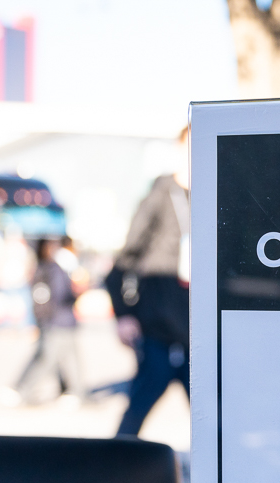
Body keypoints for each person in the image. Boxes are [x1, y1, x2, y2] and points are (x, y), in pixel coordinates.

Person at [109, 126, 190, 437]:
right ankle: (115, 463)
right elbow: (123, 262)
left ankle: (221, 470)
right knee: (138, 408)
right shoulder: (160, 194)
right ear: (179, 150)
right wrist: (124, 314)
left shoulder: (214, 195)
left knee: (214, 417)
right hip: (158, 328)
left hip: (197, 333)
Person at [12, 237, 83, 404]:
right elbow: (60, 295)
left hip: (56, 320)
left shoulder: (48, 268)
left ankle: (74, 391)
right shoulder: (52, 268)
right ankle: (25, 390)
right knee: (51, 357)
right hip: (57, 320)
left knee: (63, 358)